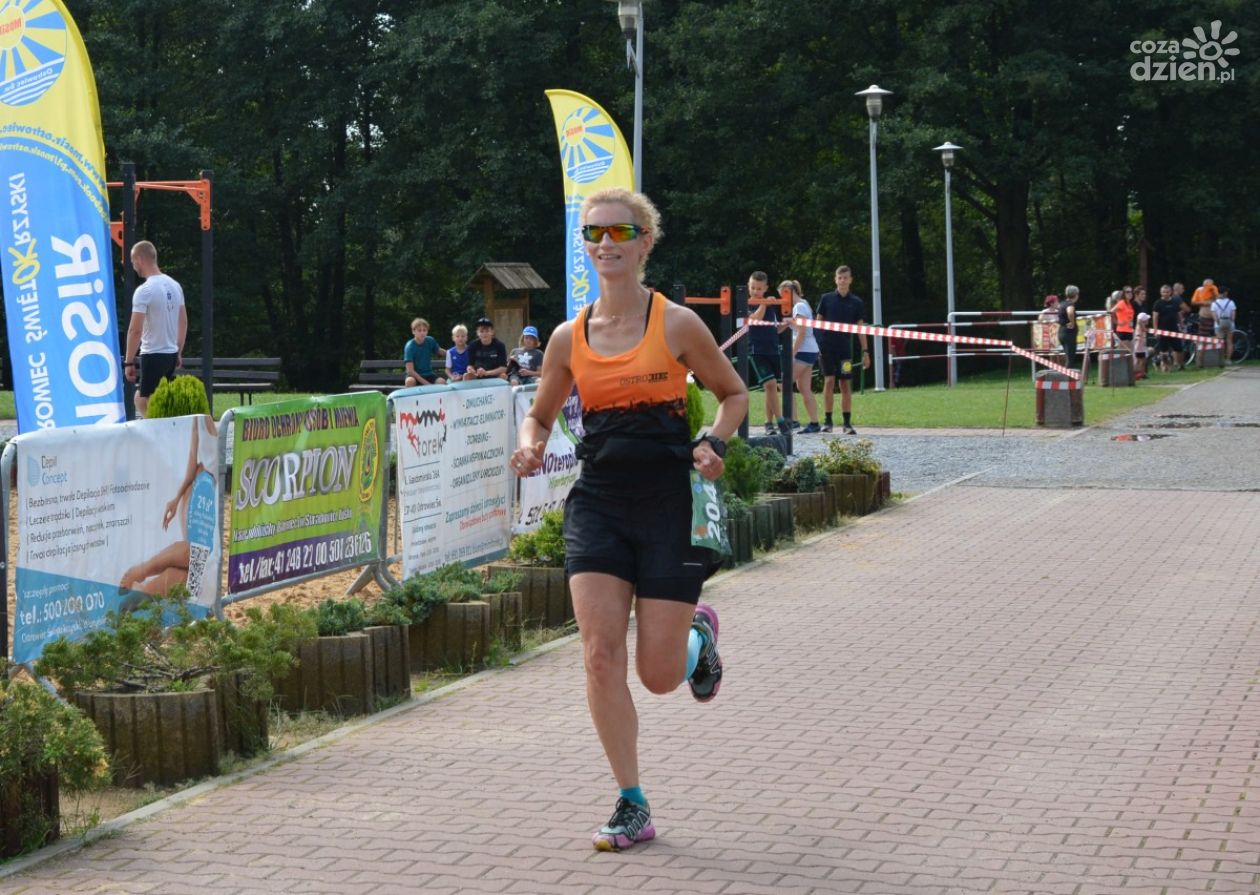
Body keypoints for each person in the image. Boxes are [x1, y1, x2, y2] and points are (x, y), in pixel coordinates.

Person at [510, 188, 747, 852]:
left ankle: (696, 636)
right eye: (595, 233)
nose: (606, 243)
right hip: (600, 504)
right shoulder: (568, 337)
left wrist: (715, 442)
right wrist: (530, 443)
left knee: (659, 676)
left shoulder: (677, 325)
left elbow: (733, 394)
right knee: (599, 655)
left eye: (621, 232)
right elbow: (540, 414)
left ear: (646, 241)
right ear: (585, 245)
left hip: (668, 502)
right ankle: (631, 801)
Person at [119, 415, 218, 606]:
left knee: (195, 568)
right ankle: (143, 574)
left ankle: (146, 588)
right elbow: (191, 466)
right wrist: (176, 499)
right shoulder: (198, 419)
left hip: (203, 494)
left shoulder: (203, 420)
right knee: (196, 558)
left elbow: (195, 466)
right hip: (197, 494)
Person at [124, 241, 187, 418]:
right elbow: (183, 322)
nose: (133, 266)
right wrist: (178, 351)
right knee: (142, 399)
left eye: (133, 261)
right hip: (170, 354)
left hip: (153, 354)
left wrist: (128, 362)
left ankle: (161, 431)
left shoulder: (145, 290)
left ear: (140, 258)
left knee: (149, 401)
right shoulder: (175, 285)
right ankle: (158, 429)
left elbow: (135, 330)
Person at [815, 265, 870, 434]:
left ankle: (847, 423)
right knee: (829, 381)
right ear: (835, 279)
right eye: (840, 278)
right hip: (826, 347)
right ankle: (828, 421)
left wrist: (865, 352)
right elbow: (817, 323)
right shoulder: (826, 299)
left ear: (850, 280)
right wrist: (817, 345)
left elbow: (860, 328)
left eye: (845, 278)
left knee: (845, 383)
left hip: (845, 350)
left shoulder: (856, 302)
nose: (842, 281)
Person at [746, 272, 788, 434]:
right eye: (753, 288)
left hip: (773, 350)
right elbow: (755, 319)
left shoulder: (771, 307)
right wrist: (764, 304)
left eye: (759, 288)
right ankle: (781, 421)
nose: (755, 291)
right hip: (757, 351)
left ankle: (768, 423)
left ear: (765, 288)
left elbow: (775, 329)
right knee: (770, 384)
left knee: (771, 388)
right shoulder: (747, 303)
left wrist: (787, 323)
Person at [782, 279, 821, 433]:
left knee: (784, 382)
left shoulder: (799, 307)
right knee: (804, 388)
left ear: (790, 293)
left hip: (804, 350)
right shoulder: (803, 304)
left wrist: (791, 353)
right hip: (809, 350)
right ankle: (814, 423)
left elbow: (802, 333)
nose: (782, 300)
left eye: (783, 295)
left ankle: (793, 420)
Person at [404, 318, 447, 386]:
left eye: (424, 330)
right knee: (410, 381)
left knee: (441, 382)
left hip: (428, 375)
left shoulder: (430, 340)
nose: (422, 333)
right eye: (419, 330)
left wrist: (453, 353)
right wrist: (426, 384)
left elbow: (439, 351)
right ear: (413, 331)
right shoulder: (409, 346)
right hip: (414, 376)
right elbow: (410, 371)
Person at [1152, 284, 1185, 372]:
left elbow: (1179, 314)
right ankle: (1165, 367)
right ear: (1160, 292)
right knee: (1164, 350)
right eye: (1163, 292)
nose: (1165, 294)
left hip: (1174, 329)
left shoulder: (1175, 302)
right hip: (1162, 330)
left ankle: (1181, 365)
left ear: (1170, 292)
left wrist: (1182, 326)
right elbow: (1155, 317)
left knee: (1179, 348)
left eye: (1167, 292)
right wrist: (1156, 330)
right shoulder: (1158, 303)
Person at [1211, 287, 1237, 360]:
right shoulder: (1231, 302)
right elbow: (1233, 315)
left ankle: (1221, 359)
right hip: (1229, 323)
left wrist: (1218, 322)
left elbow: (1214, 315)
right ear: (1226, 293)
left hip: (1218, 324)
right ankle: (1228, 359)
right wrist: (1231, 322)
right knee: (1229, 341)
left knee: (1220, 342)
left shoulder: (1214, 303)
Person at [1058, 286, 1080, 371]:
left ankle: (1067, 375)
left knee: (1068, 357)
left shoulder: (1062, 303)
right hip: (1068, 333)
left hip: (1062, 332)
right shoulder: (1070, 304)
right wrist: (1072, 322)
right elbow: (1070, 312)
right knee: (1070, 358)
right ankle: (1067, 376)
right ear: (1076, 294)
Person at [1133, 311, 1151, 380]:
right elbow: (1138, 336)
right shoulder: (1140, 327)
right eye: (1147, 319)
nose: (1148, 320)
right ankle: (1138, 374)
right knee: (1140, 361)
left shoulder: (1141, 327)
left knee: (1142, 361)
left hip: (1141, 347)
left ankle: (1142, 374)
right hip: (1139, 348)